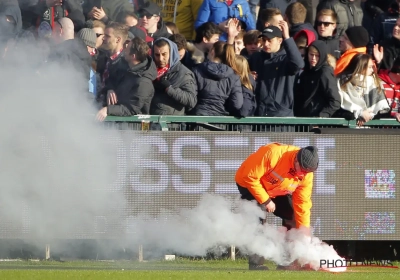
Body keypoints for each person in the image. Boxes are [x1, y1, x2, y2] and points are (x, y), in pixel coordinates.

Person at [235, 143, 319, 270]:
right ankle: (256, 264)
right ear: (296, 159)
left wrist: (304, 231)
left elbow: (302, 204)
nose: (303, 175)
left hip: (278, 189)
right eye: (302, 170)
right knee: (257, 219)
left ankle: (287, 262)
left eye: (307, 172)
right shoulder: (272, 154)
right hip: (249, 184)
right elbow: (250, 177)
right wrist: (266, 200)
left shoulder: (306, 174)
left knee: (293, 215)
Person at [96, 37, 157, 121]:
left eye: (127, 49)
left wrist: (108, 110)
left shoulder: (144, 82)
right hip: (117, 125)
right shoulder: (124, 66)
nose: (124, 50)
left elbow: (131, 109)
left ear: (133, 56)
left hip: (133, 129)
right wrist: (110, 89)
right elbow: (111, 79)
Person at [335, 53, 390, 125]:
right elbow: (337, 108)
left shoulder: (376, 83)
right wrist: (358, 114)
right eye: (370, 67)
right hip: (346, 129)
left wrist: (368, 116)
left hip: (371, 131)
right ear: (361, 67)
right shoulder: (342, 82)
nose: (372, 70)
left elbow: (383, 110)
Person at [294, 40, 341, 117]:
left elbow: (335, 101)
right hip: (303, 118)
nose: (313, 58)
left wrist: (321, 117)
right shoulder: (305, 72)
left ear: (323, 56)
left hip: (315, 120)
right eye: (311, 54)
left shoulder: (325, 72)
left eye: (317, 55)